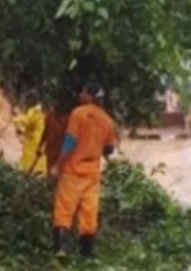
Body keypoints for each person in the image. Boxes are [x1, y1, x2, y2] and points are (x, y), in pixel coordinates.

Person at [51, 82, 117, 258]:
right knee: (89, 212)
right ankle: (86, 253)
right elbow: (109, 149)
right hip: (93, 173)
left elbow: (70, 142)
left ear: (90, 96)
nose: (80, 96)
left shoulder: (78, 113)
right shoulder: (108, 120)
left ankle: (61, 250)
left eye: (83, 93)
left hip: (73, 170)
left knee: (64, 209)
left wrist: (57, 165)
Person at [12, 91, 47, 176]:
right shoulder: (41, 110)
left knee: (29, 164)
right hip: (39, 140)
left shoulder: (34, 111)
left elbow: (25, 121)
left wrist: (15, 118)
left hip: (33, 141)